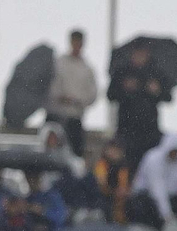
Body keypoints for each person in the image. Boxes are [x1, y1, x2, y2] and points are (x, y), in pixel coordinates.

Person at [110, 43, 169, 172]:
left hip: (149, 130)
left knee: (148, 165)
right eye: (137, 53)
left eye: (143, 53)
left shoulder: (156, 72)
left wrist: (157, 91)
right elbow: (110, 95)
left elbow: (168, 97)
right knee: (127, 165)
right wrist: (124, 88)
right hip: (127, 127)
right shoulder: (122, 71)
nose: (140, 57)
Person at [47, 29, 99, 157]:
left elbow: (92, 95)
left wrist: (76, 100)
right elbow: (49, 87)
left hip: (74, 118)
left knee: (75, 155)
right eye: (74, 42)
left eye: (79, 43)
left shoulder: (87, 69)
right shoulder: (58, 63)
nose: (77, 46)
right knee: (49, 154)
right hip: (55, 115)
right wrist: (59, 97)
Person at [129, 133, 177, 230]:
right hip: (146, 197)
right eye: (174, 151)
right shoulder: (153, 159)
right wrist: (167, 215)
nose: (175, 155)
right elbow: (157, 189)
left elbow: (175, 183)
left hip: (167, 198)